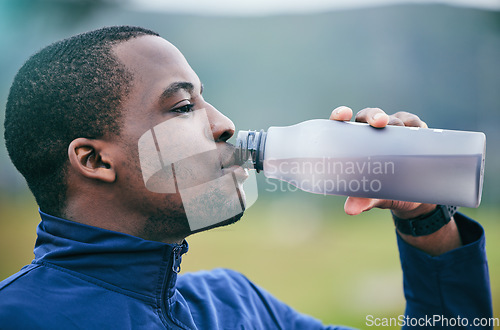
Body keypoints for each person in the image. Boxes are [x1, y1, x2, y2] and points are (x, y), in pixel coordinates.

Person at [0, 26, 493, 329]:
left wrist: (426, 219)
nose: (223, 125)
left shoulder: (238, 308)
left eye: (205, 100)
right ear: (94, 161)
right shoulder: (19, 319)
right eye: (183, 106)